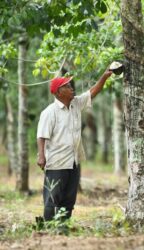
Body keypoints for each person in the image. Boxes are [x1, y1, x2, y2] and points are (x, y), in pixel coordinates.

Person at [36, 68, 113, 221]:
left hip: (74, 161)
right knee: (53, 197)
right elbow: (41, 136)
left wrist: (104, 76)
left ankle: (63, 226)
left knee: (69, 198)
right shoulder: (49, 112)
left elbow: (92, 92)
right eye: (67, 86)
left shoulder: (76, 104)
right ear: (58, 92)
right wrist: (41, 156)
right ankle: (49, 227)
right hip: (57, 162)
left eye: (71, 86)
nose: (71, 88)